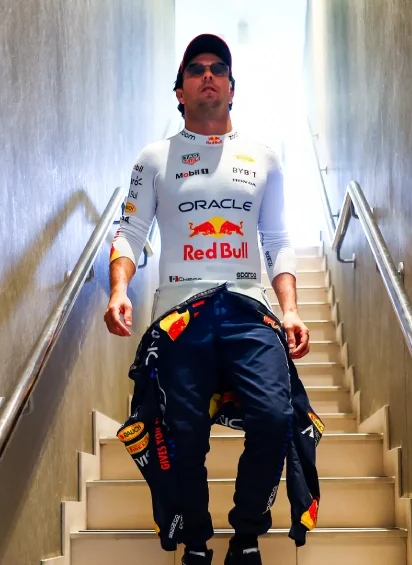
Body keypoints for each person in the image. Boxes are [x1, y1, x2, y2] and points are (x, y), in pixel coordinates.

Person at [103, 33, 310, 565]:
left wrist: (289, 310)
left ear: (232, 89)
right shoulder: (155, 158)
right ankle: (196, 541)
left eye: (218, 68)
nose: (208, 75)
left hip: (250, 310)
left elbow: (278, 240)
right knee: (182, 433)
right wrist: (119, 289)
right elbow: (130, 231)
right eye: (196, 69)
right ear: (180, 92)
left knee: (274, 416)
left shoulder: (263, 158)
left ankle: (246, 536)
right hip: (179, 313)